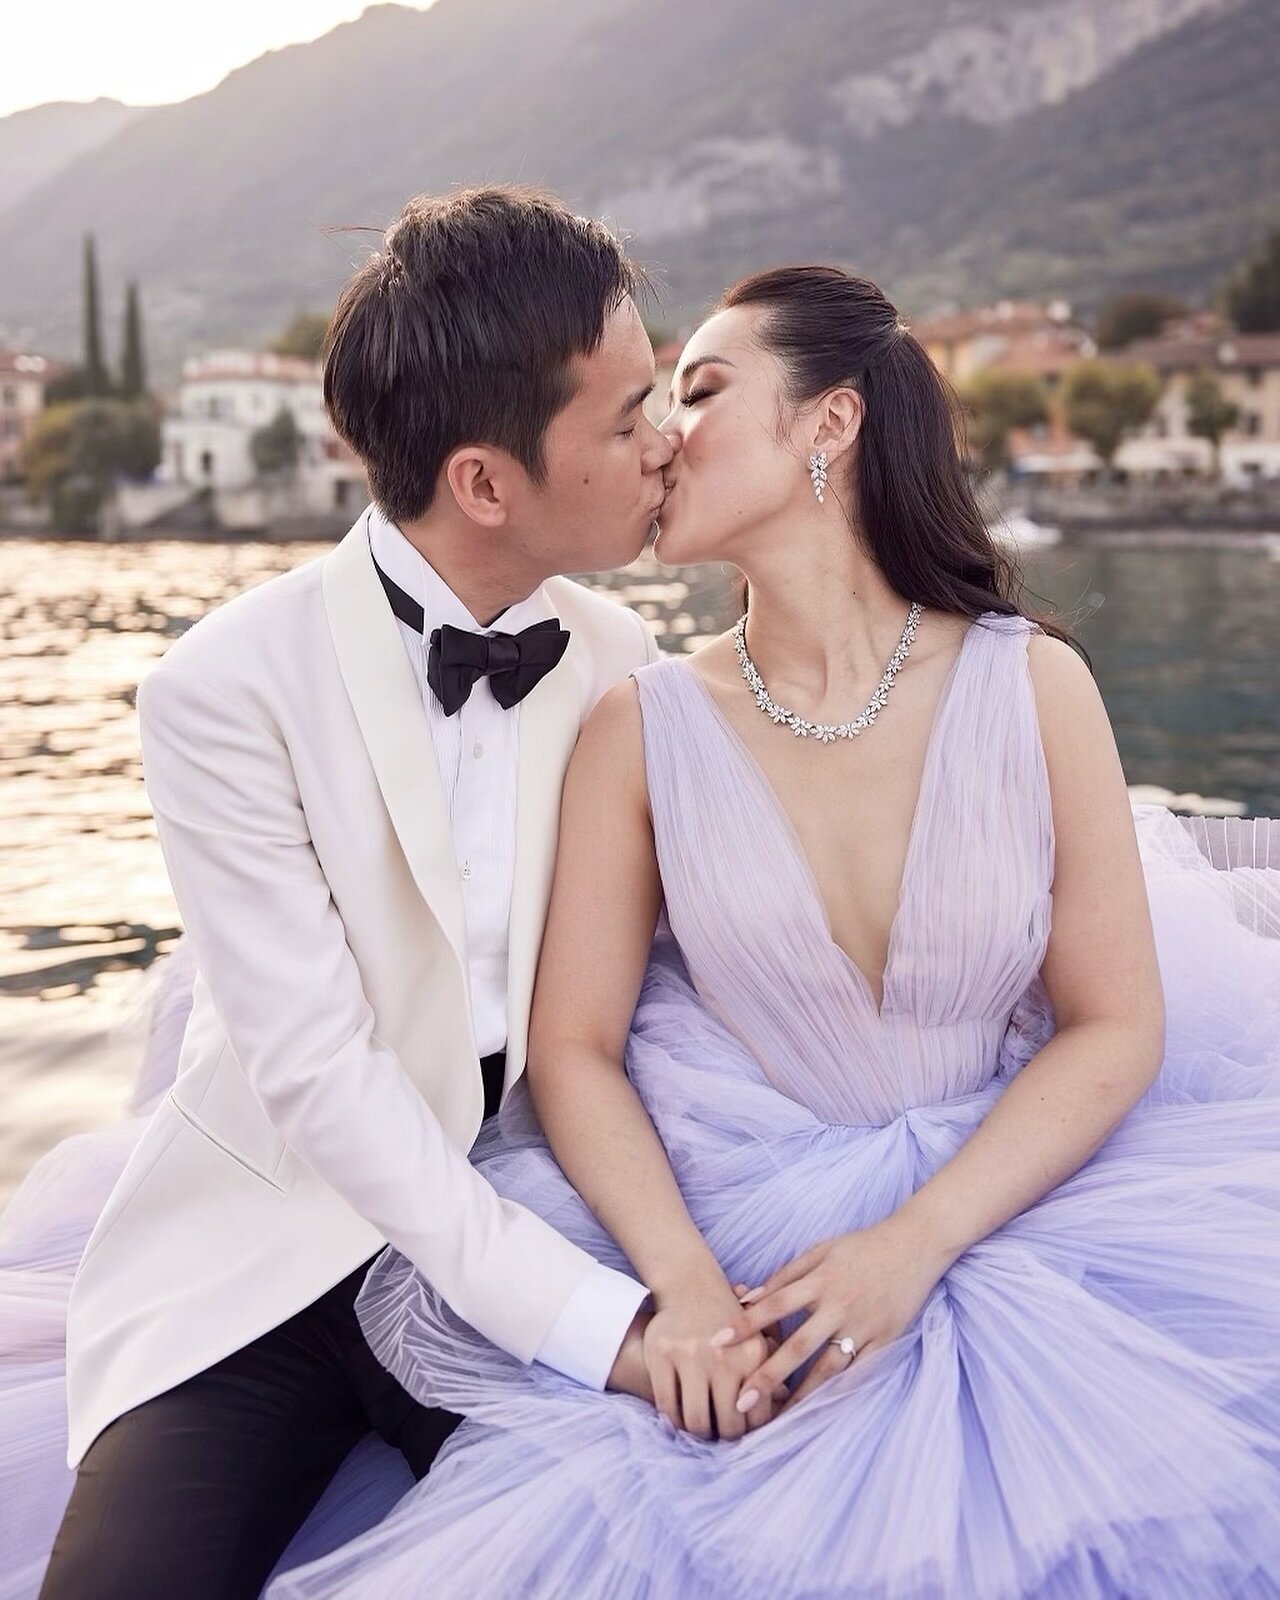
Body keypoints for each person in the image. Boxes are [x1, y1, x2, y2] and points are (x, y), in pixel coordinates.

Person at [268, 267, 1280, 1599]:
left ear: (830, 423)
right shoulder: (636, 724)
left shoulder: (1034, 683)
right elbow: (572, 1050)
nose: (665, 433)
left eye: (700, 389)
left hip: (1024, 1210)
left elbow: (1115, 1022)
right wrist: (679, 1290)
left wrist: (914, 1245)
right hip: (735, 1234)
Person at [3, 185, 716, 1600]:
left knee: (684, 1548)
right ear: (485, 484)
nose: (668, 440)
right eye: (630, 415)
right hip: (265, 1258)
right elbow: (325, 1082)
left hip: (532, 1191)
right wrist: (601, 1327)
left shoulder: (622, 655)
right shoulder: (218, 690)